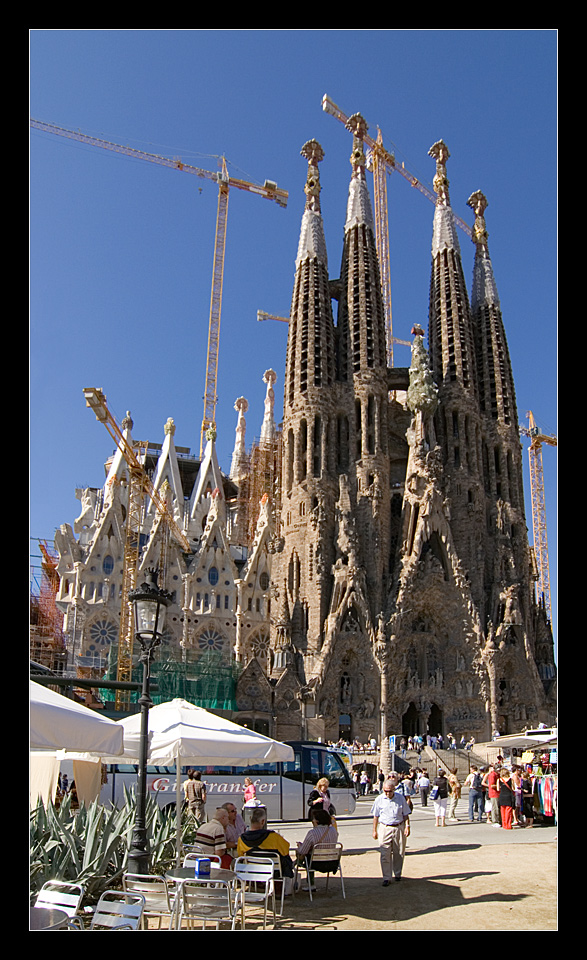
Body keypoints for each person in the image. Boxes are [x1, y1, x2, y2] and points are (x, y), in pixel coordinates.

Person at [371, 779, 411, 885]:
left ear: (394, 789)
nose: (387, 793)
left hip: (398, 827)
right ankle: (386, 877)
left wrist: (407, 826)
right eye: (385, 791)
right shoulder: (379, 799)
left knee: (399, 852)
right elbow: (376, 816)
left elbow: (406, 814)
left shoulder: (400, 798)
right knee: (385, 853)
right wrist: (374, 830)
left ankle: (397, 874)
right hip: (385, 827)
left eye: (389, 791)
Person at [236, 807, 294, 879]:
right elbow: (285, 851)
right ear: (263, 821)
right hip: (273, 872)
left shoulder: (241, 839)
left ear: (250, 818)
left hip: (252, 872)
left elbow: (240, 856)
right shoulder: (274, 837)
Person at [296, 808, 339, 891]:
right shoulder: (333, 831)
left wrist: (300, 846)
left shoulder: (312, 833)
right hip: (332, 862)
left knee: (306, 856)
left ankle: (310, 884)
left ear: (317, 821)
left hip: (316, 863)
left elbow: (303, 851)